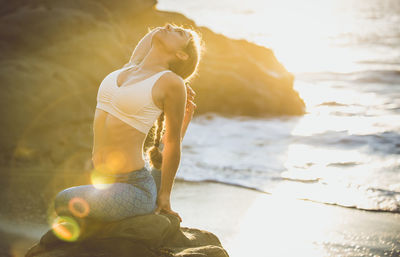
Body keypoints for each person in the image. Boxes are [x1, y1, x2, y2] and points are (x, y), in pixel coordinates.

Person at [53, 23, 204, 225]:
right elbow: (153, 34)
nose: (168, 26)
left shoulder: (171, 82)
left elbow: (172, 143)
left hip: (134, 186)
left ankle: (150, 201)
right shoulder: (130, 67)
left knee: (64, 200)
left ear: (182, 55)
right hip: (108, 182)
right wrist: (167, 31)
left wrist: (165, 196)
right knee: (67, 201)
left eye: (179, 33)